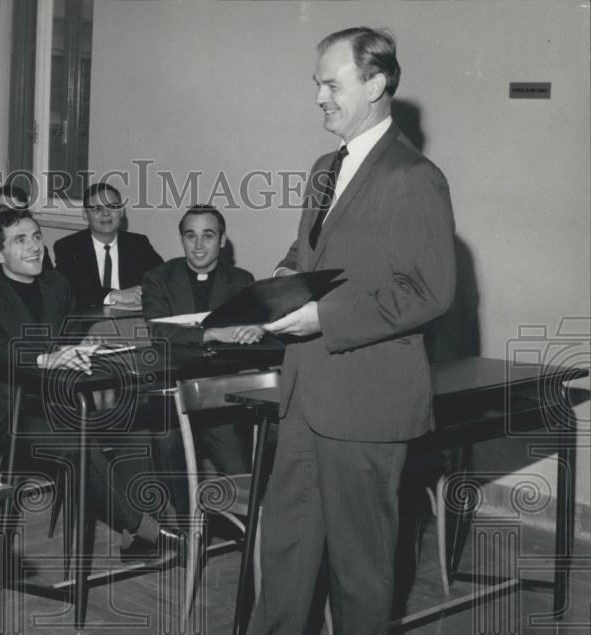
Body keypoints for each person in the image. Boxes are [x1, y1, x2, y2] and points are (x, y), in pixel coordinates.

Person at [250, 28, 456, 634]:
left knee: (360, 576)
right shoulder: (324, 168)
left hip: (367, 402)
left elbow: (430, 291)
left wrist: (321, 316)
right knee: (283, 558)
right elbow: (306, 254)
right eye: (316, 82)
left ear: (375, 84)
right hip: (304, 395)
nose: (318, 95)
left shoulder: (414, 177)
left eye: (331, 83)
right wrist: (282, 281)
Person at [0, 208, 180, 559]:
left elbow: (71, 334)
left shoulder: (56, 284)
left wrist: (81, 348)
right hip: (19, 415)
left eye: (36, 236)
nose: (35, 247)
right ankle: (147, 529)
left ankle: (135, 536)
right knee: (77, 446)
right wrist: (42, 359)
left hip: (68, 399)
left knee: (134, 426)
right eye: (21, 240)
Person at [141, 205, 263, 484]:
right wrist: (211, 334)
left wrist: (255, 329)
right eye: (190, 236)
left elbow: (253, 332)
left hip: (220, 394)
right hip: (171, 392)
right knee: (166, 441)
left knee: (238, 473)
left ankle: (236, 526)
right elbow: (158, 331)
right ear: (182, 238)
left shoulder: (242, 281)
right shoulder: (159, 278)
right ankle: (185, 526)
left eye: (208, 236)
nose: (198, 246)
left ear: (222, 240)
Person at [53, 182, 162, 310]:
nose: (106, 213)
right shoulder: (68, 247)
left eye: (112, 206)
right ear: (85, 215)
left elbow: (162, 279)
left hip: (132, 319)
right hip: (87, 322)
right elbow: (68, 292)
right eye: (97, 209)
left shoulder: (139, 244)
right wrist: (112, 295)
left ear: (121, 211)